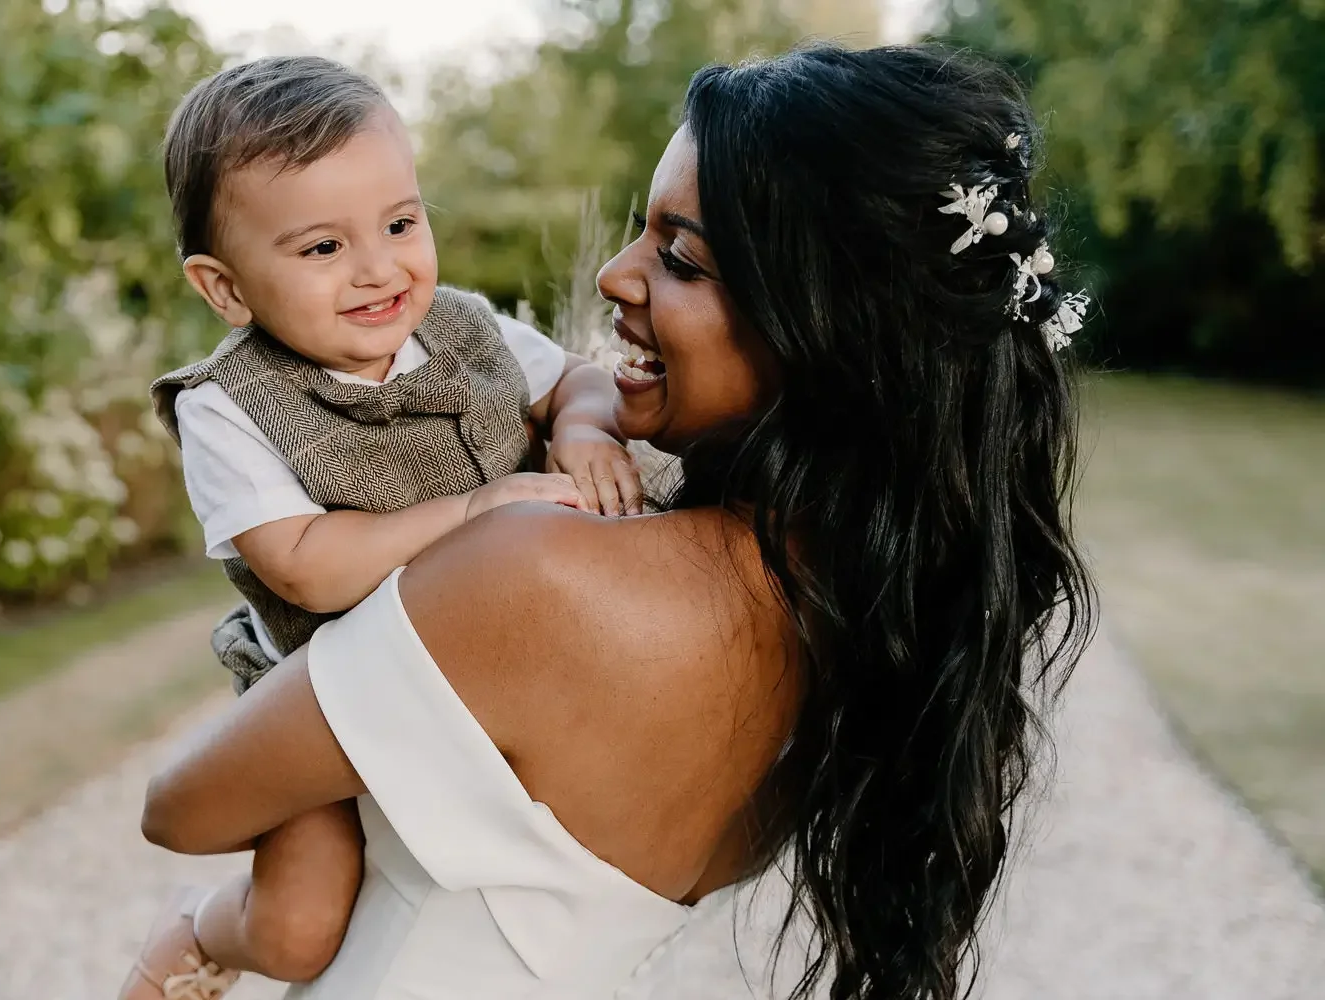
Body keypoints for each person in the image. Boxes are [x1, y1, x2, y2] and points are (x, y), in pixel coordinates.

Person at [139, 42, 1097, 1000]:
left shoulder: (541, 569)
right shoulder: (875, 636)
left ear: (831, 330)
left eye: (680, 257)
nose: (610, 274)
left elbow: (180, 808)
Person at [121, 56, 641, 999]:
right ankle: (198, 930)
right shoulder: (226, 405)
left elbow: (579, 375)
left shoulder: (465, 327)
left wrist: (582, 426)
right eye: (321, 249)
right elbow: (308, 568)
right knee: (299, 927)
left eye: (401, 223)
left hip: (478, 662)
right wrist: (475, 512)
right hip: (326, 678)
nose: (377, 268)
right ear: (226, 288)